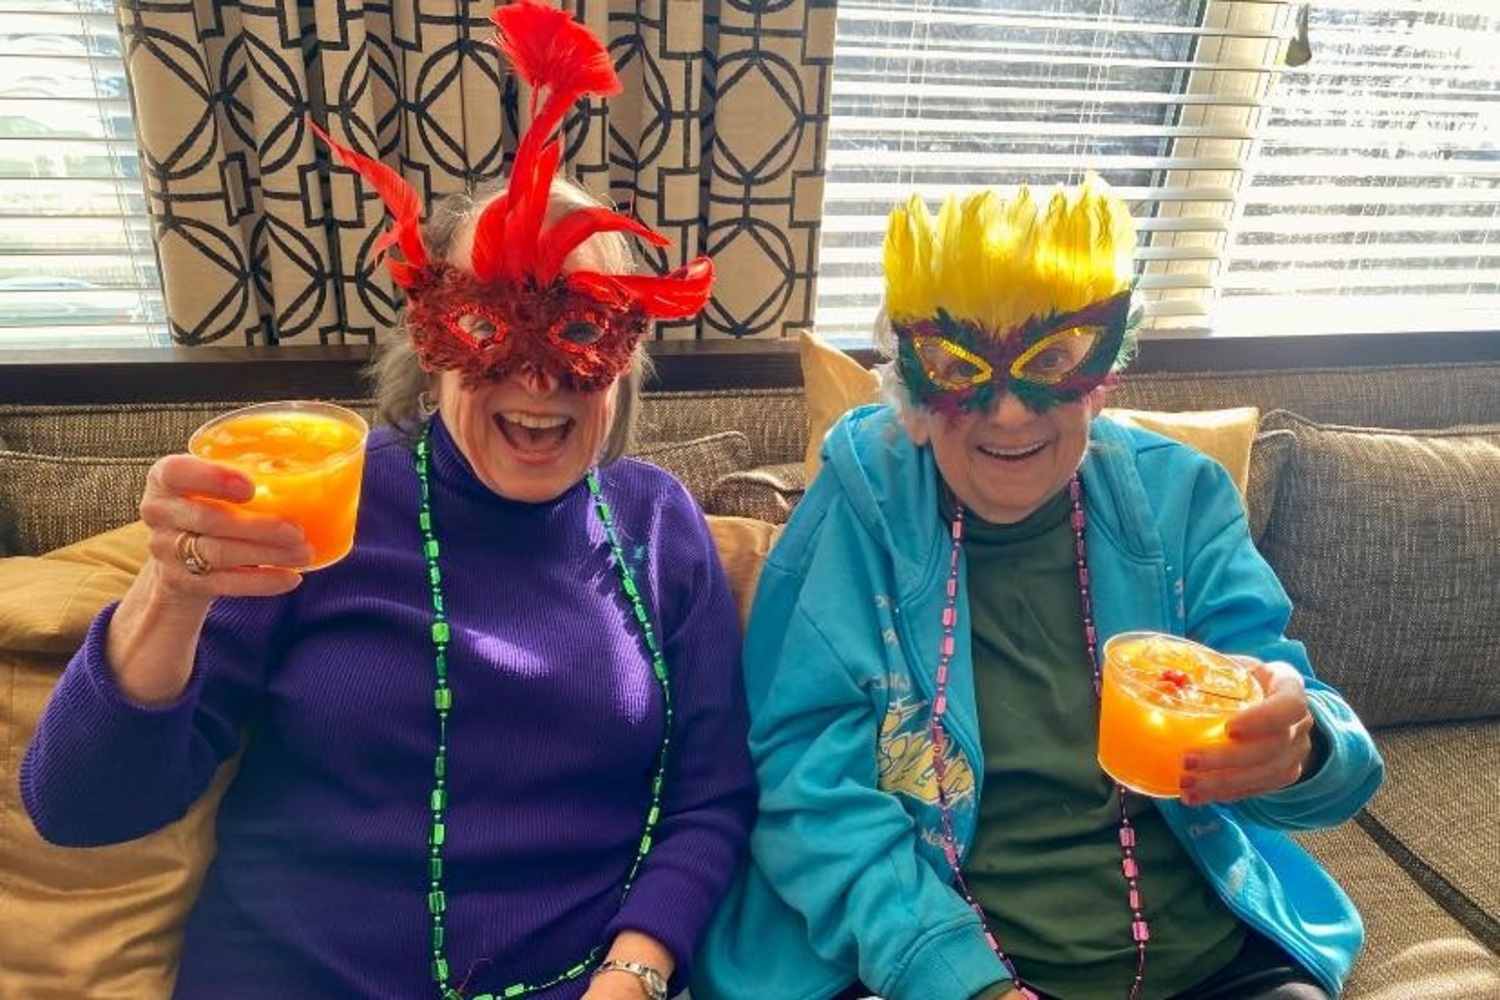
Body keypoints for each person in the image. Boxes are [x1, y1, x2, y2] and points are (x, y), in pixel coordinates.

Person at [21, 4, 754, 999]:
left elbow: (711, 796)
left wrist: (636, 968)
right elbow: (79, 804)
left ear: (625, 363)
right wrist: (172, 591)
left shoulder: (660, 524)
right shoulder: (320, 496)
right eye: (493, 325)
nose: (538, 378)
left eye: (579, 327)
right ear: (432, 340)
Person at [693, 178, 1383, 1000]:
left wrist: (1300, 746)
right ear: (912, 381)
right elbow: (808, 790)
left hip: (1213, 965)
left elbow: (1308, 726)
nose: (1011, 414)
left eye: (1051, 359)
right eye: (961, 367)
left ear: (1104, 370)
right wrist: (960, 981)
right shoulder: (857, 515)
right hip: (950, 961)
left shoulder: (1180, 501)